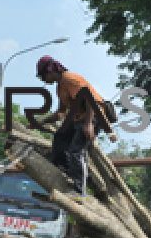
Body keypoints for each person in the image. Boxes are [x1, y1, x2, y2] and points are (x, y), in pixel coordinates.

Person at [36, 55, 114, 194]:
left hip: (93, 116)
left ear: (50, 71)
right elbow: (60, 113)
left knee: (76, 151)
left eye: (43, 77)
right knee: (60, 137)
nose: (43, 80)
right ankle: (67, 170)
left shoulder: (70, 79)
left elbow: (90, 100)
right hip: (78, 119)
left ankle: (79, 191)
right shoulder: (60, 87)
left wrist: (89, 124)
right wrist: (40, 121)